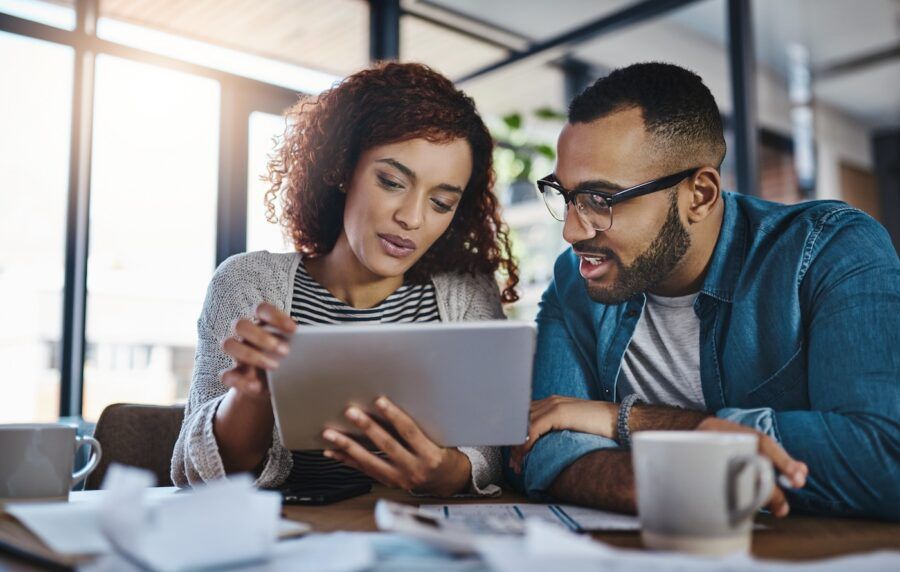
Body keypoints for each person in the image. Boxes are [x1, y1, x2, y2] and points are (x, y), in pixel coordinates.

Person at [509, 62, 899, 520]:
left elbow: (882, 459)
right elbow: (548, 444)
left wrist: (629, 420)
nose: (572, 231)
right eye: (566, 194)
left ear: (700, 195)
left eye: (601, 199)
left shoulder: (830, 250)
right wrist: (685, 478)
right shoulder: (577, 279)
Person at [171, 62, 518, 497]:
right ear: (341, 168)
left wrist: (448, 472)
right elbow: (195, 472)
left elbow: (489, 453)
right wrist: (253, 399)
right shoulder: (249, 284)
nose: (411, 218)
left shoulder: (466, 295)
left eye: (442, 203)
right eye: (391, 181)